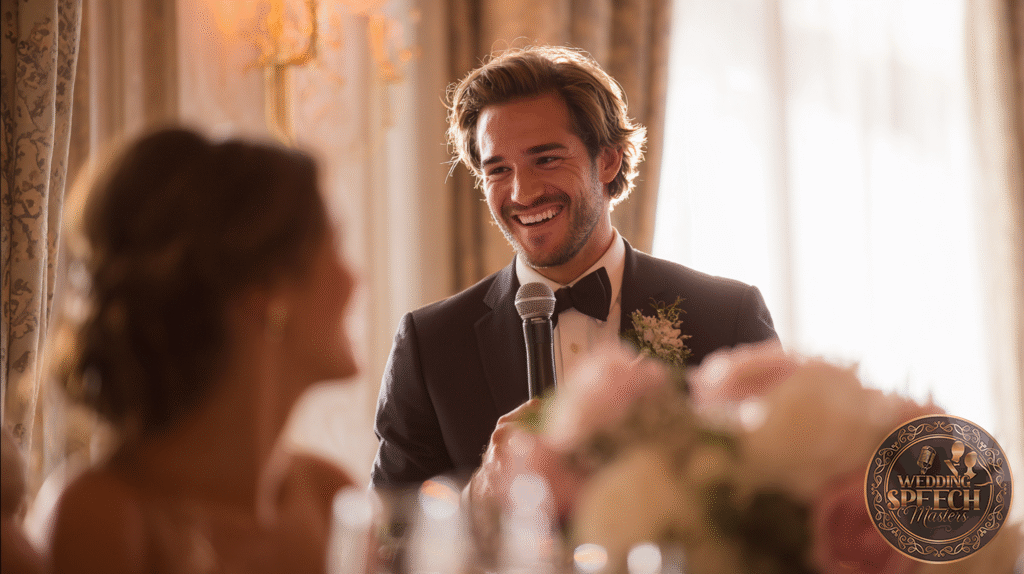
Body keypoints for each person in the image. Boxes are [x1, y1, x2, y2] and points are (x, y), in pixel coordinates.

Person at [371, 45, 779, 494]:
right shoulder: (430, 346)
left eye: (546, 159)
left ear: (608, 160)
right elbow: (390, 530)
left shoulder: (726, 316)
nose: (522, 193)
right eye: (499, 170)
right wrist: (477, 498)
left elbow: (784, 500)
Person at [48, 128, 360, 574]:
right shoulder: (103, 516)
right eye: (335, 248)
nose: (354, 280)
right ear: (267, 291)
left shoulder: (331, 498)